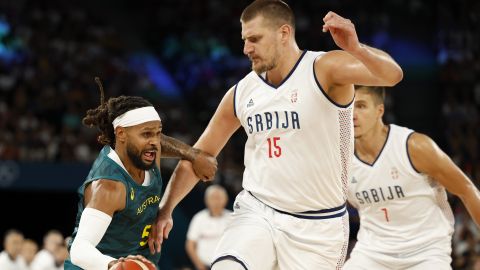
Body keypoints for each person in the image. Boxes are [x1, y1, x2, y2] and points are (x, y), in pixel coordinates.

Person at [149, 1, 403, 269]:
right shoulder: (241, 92)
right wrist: (166, 209)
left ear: (284, 33)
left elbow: (392, 75)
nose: (247, 49)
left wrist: (356, 48)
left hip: (317, 225)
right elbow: (200, 153)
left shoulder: (324, 69)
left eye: (255, 39)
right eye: (245, 40)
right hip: (258, 211)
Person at [63, 79, 217, 270]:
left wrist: (191, 153)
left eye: (157, 133)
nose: (155, 141)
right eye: (146, 134)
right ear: (121, 134)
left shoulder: (146, 152)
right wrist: (114, 266)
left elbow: (160, 142)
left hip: (139, 261)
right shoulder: (109, 186)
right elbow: (79, 249)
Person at [343, 86, 480, 270]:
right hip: (372, 253)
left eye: (361, 106)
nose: (353, 114)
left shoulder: (414, 147)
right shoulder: (341, 159)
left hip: (425, 253)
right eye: (349, 107)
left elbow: (467, 190)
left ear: (379, 110)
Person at [185, 185, 232, 270]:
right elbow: (190, 244)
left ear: (226, 200)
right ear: (206, 200)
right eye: (213, 197)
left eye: (219, 198)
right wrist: (199, 265)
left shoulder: (232, 218)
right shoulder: (199, 218)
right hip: (204, 266)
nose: (216, 201)